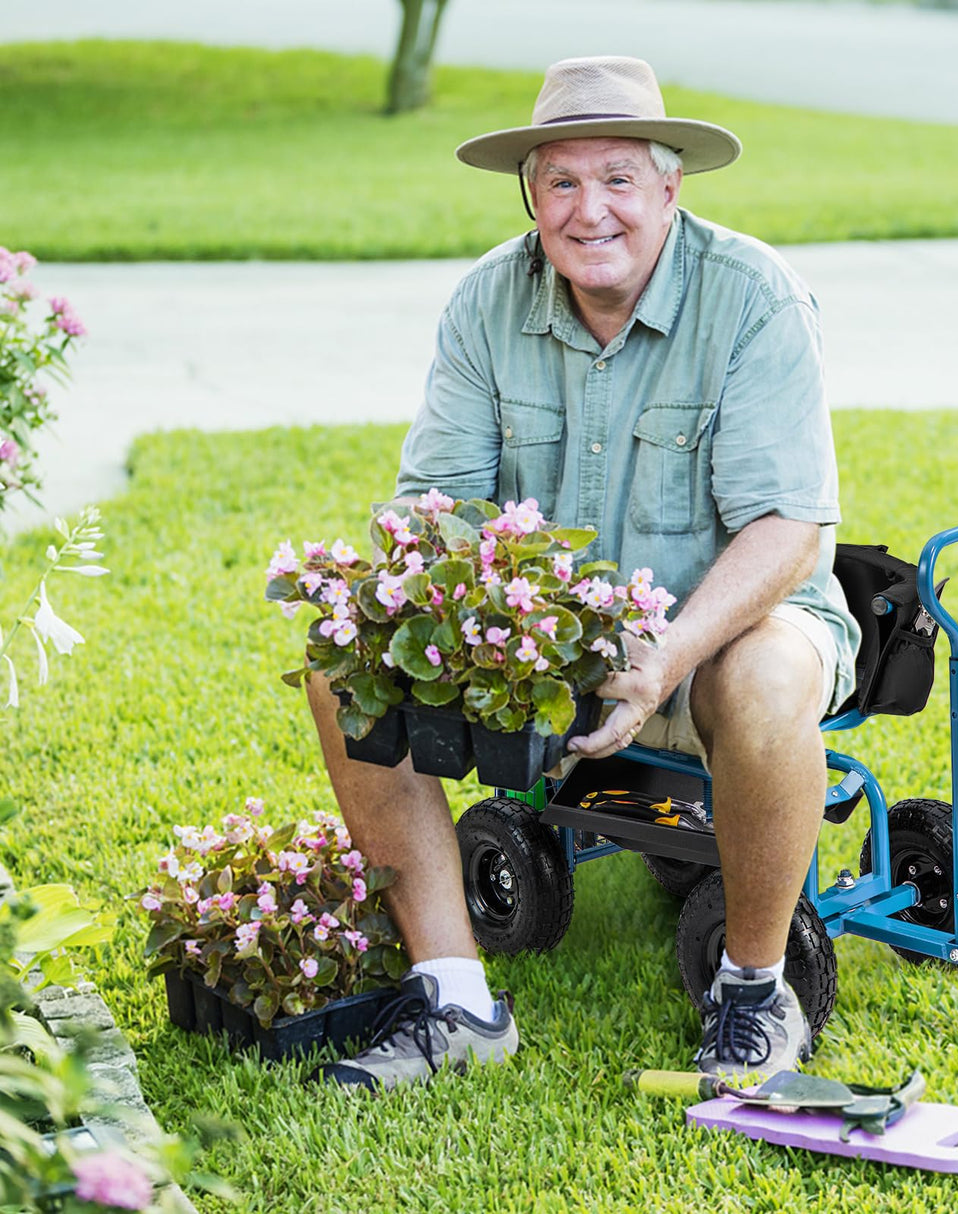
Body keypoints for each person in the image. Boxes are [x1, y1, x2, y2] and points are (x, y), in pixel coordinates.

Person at [309, 56, 861, 1091]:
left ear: (668, 187)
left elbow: (786, 527)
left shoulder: (752, 296)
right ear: (530, 196)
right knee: (342, 663)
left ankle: (752, 988)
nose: (587, 208)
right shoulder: (487, 299)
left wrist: (667, 653)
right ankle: (455, 998)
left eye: (615, 177)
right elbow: (434, 501)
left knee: (761, 678)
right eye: (559, 181)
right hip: (553, 639)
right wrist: (440, 613)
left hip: (728, 626)